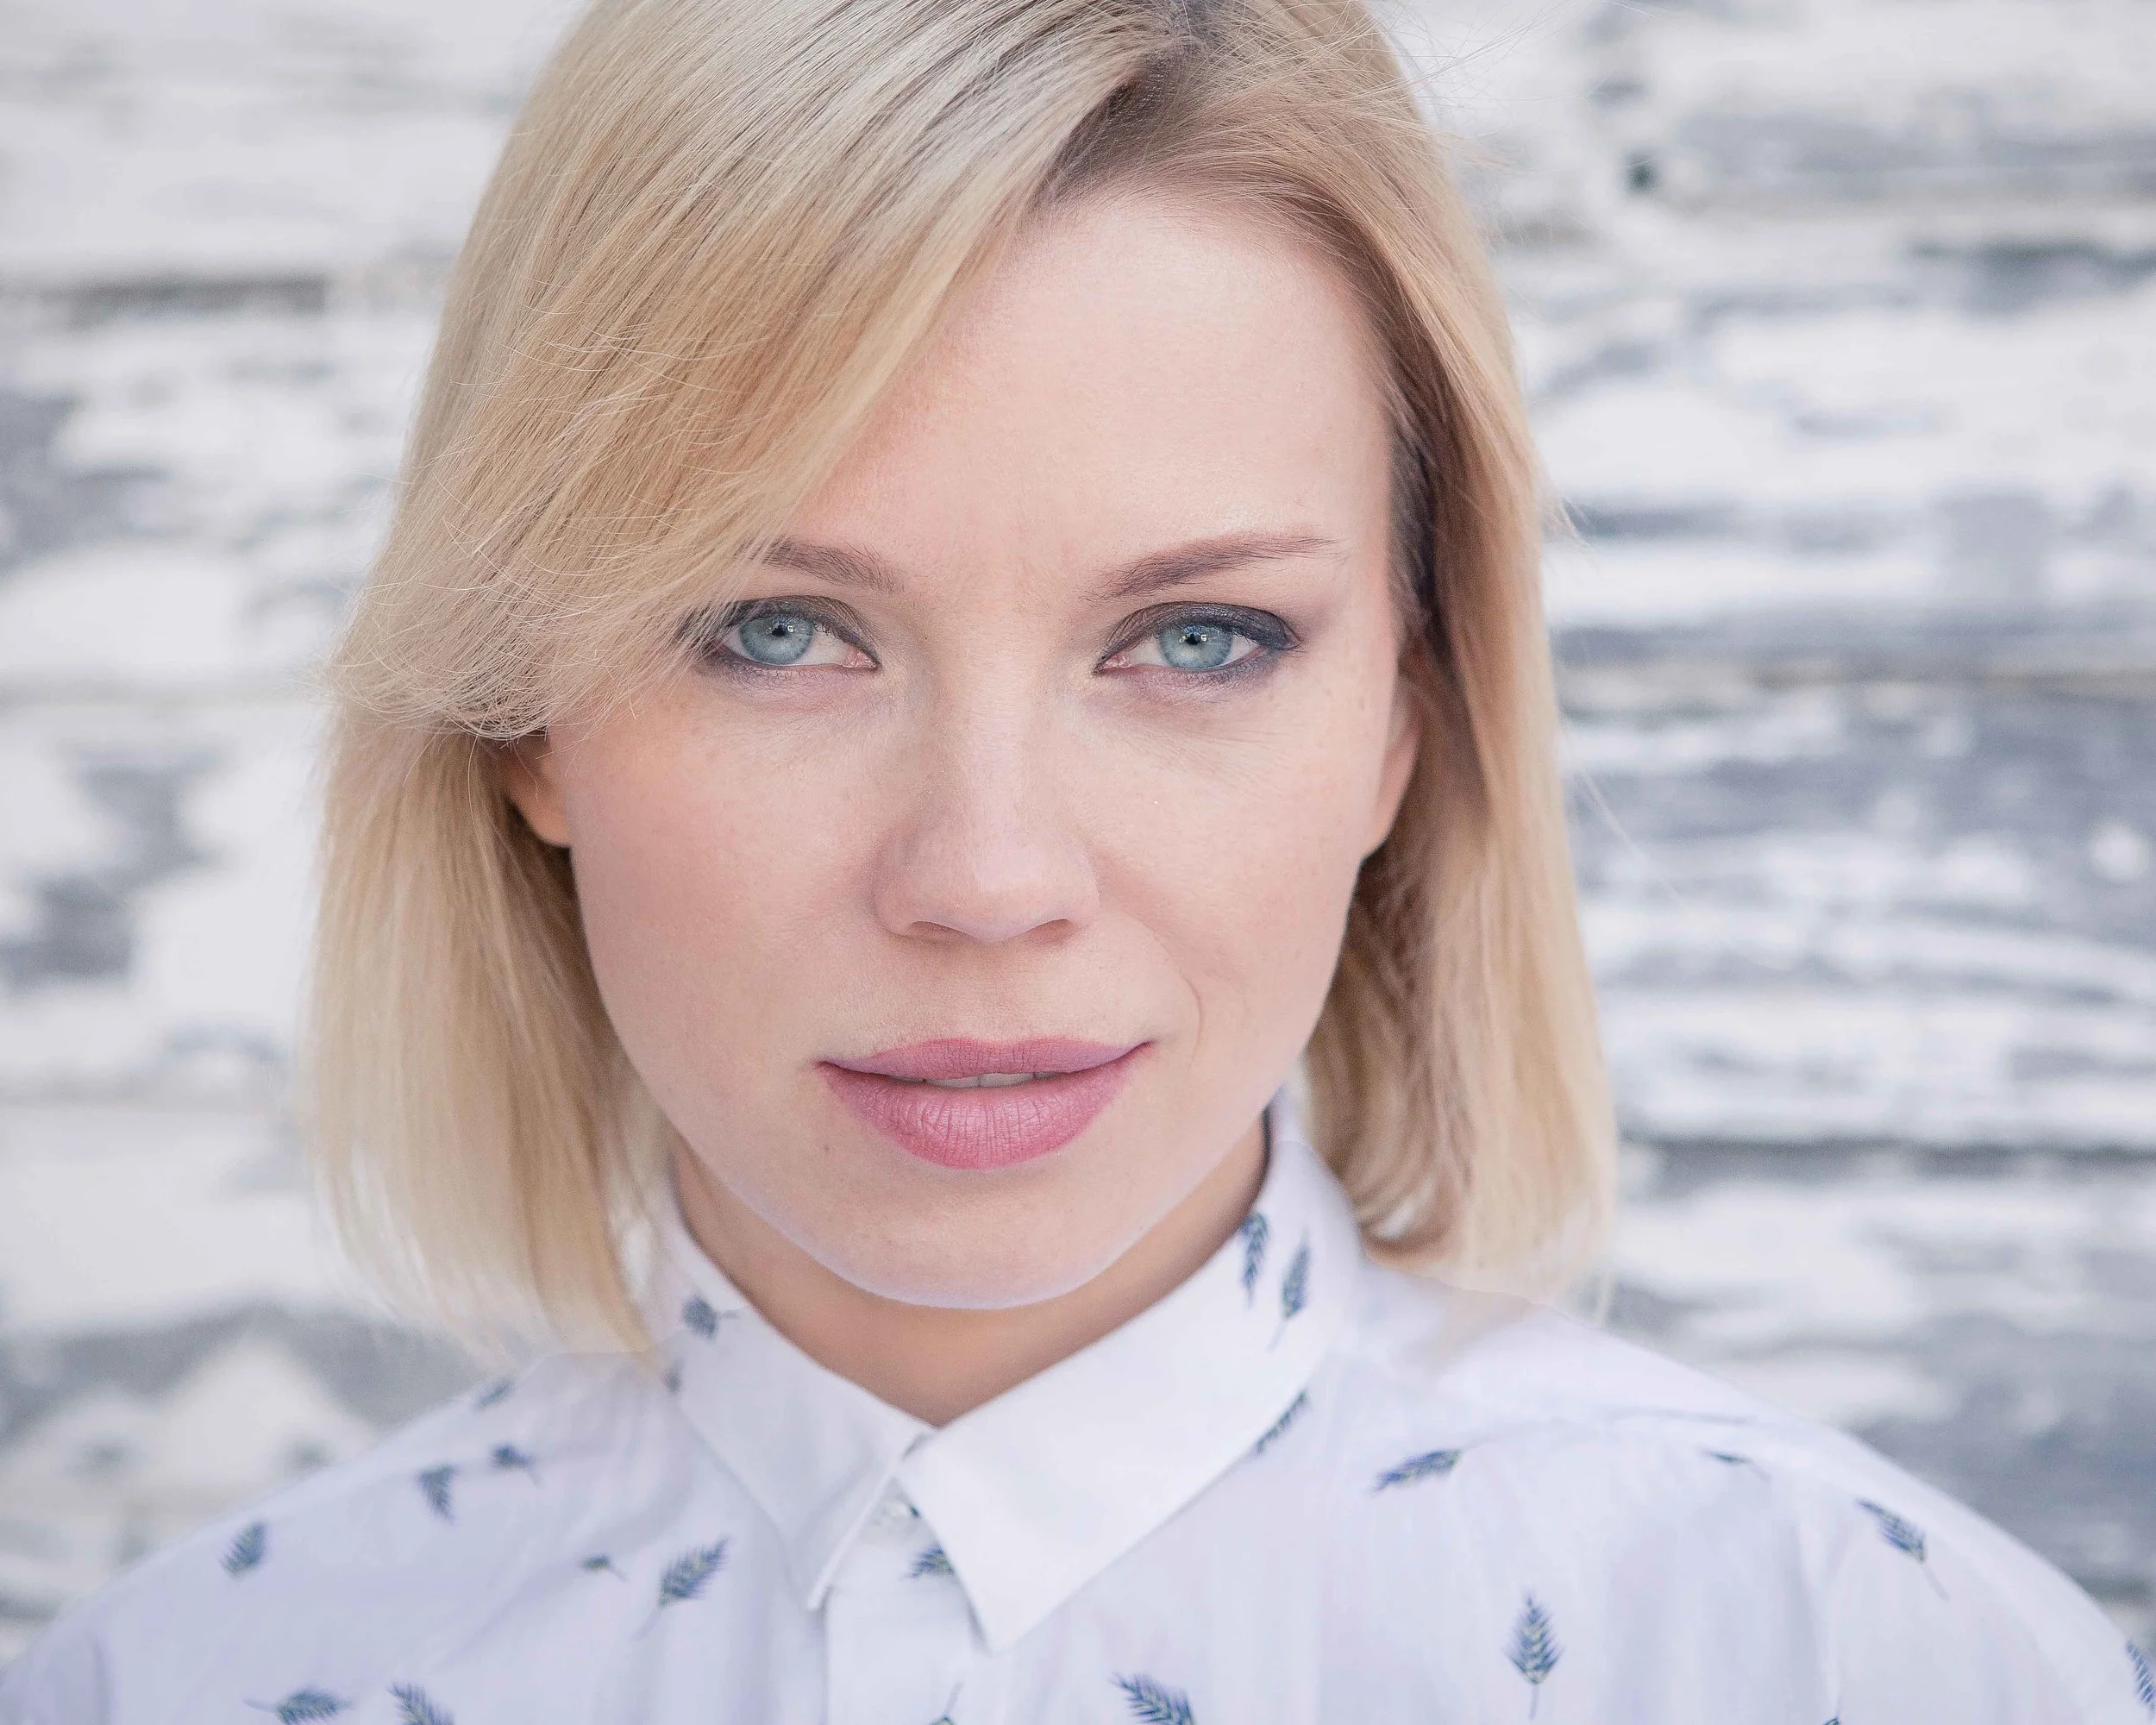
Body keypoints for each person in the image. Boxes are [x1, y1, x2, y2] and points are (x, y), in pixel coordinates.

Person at [3, 0, 2147, 1719]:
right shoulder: (176, 1683)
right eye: (775, 632)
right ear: (523, 714)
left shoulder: (1852, 1656)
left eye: (1196, 638)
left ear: (1405, 716)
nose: (987, 874)